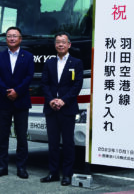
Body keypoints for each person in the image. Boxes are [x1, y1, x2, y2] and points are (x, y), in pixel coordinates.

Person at [40, 31, 84, 186]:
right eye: (58, 42)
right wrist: (51, 100)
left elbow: (77, 85)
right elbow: (44, 84)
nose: (60, 44)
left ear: (69, 44)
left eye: (63, 42)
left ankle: (67, 174)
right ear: (55, 45)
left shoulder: (76, 63)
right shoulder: (49, 63)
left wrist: (63, 100)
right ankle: (53, 173)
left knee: (68, 143)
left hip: (68, 108)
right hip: (51, 108)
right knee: (52, 143)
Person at [0, 26, 34, 179]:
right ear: (6, 39)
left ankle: (21, 167)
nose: (12, 38)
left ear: (20, 39)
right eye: (9, 36)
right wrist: (6, 91)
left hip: (21, 101)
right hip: (3, 101)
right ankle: (2, 166)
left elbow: (29, 76)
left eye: (15, 36)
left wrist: (17, 91)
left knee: (21, 137)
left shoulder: (28, 56)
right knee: (3, 136)